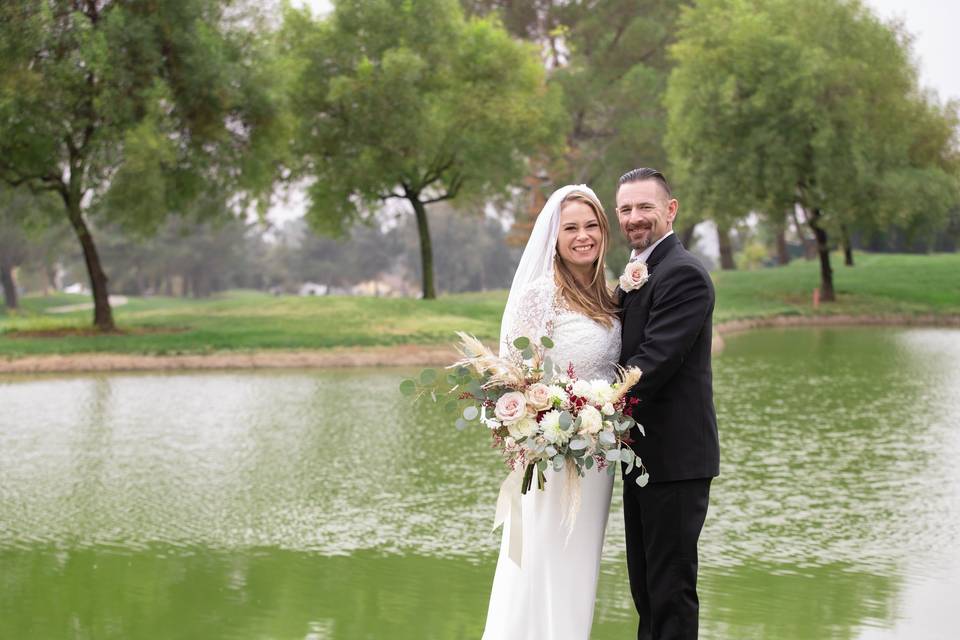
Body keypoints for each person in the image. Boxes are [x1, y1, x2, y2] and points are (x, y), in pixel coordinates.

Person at [482, 184, 621, 640]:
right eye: (571, 228)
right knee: (541, 561)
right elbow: (515, 374)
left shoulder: (607, 294)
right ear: (554, 238)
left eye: (592, 225)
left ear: (603, 229)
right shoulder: (541, 294)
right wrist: (544, 419)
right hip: (550, 456)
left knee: (579, 567)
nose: (583, 236)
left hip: (596, 457)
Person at [616, 168, 720, 640]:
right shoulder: (640, 273)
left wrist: (580, 406)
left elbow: (651, 364)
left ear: (671, 209)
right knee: (646, 590)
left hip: (676, 461)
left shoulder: (683, 274)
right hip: (640, 457)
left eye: (645, 207)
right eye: (625, 209)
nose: (635, 218)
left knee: (671, 593)